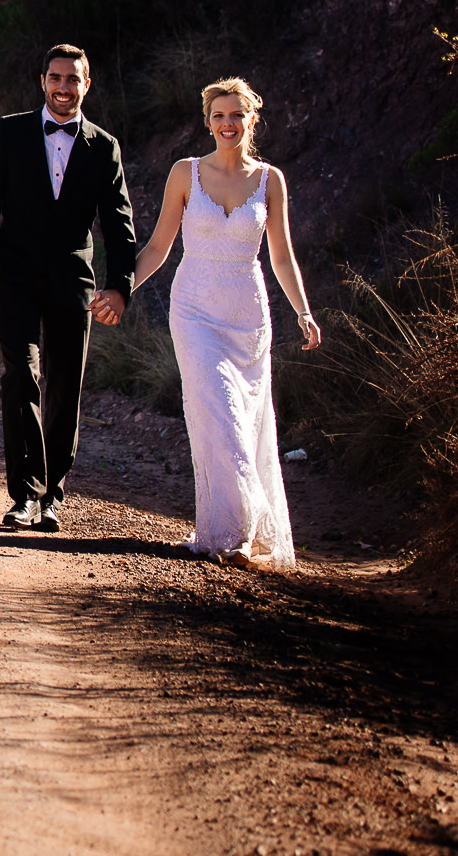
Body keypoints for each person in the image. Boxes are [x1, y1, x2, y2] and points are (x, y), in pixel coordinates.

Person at [129, 77, 317, 569]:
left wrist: (303, 311)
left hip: (248, 316)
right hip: (193, 310)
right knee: (219, 412)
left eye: (236, 115)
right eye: (218, 115)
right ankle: (236, 529)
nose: (227, 123)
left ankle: (237, 529)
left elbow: (282, 256)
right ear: (207, 121)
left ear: (251, 120)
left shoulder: (271, 180)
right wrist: (119, 289)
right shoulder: (185, 173)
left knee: (250, 422)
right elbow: (157, 247)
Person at [0, 43, 138, 533]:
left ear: (88, 85)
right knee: (21, 377)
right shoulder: (12, 130)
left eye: (73, 79)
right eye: (56, 78)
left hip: (73, 281)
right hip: (15, 277)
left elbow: (120, 225)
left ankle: (52, 498)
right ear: (43, 80)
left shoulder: (104, 147)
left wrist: (120, 287)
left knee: (65, 387)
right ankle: (24, 494)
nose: (64, 88)